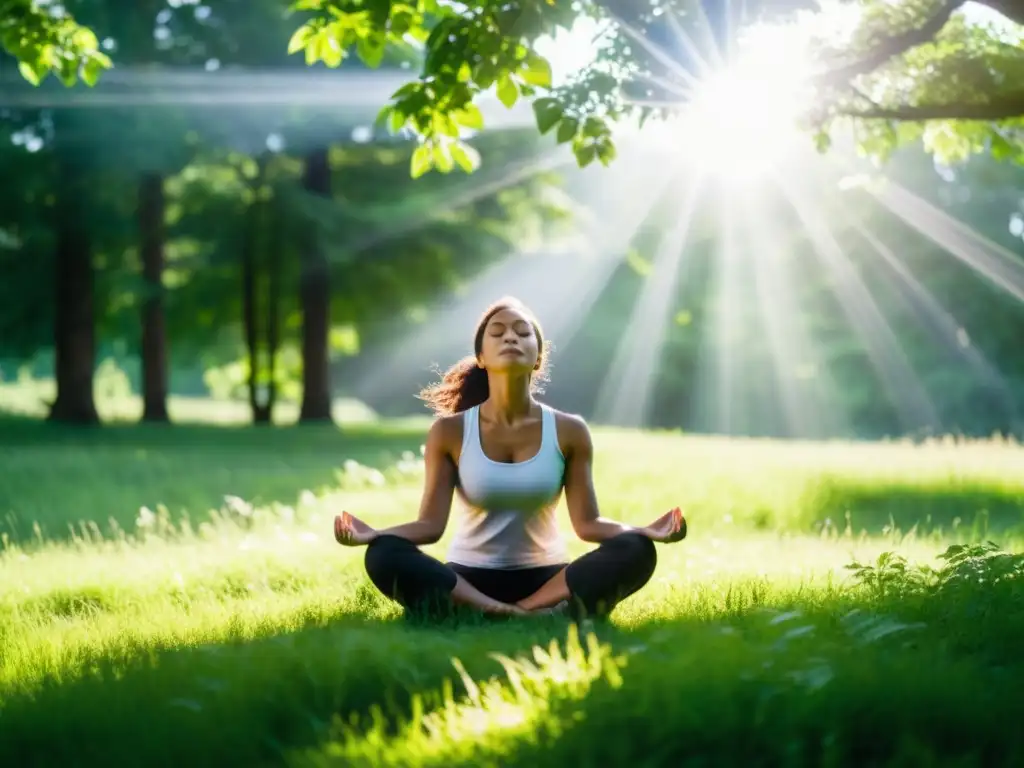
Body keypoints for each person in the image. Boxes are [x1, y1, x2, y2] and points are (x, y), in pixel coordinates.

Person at [334, 297, 687, 621]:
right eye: (498, 332)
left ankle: (521, 611)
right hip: (468, 579)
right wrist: (375, 535)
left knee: (636, 550)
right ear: (482, 358)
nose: (510, 338)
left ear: (537, 357)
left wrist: (643, 531)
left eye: (523, 332)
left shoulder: (569, 430)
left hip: (548, 578)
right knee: (383, 555)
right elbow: (429, 527)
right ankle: (503, 610)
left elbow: (588, 524)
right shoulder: (450, 432)